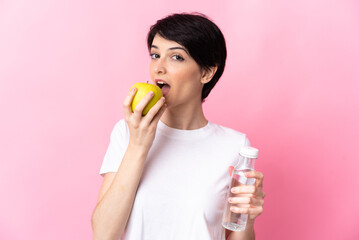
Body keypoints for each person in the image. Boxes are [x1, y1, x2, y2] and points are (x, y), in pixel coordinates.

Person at [92, 13, 265, 240]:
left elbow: (235, 232)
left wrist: (247, 218)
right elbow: (104, 234)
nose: (158, 68)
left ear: (206, 72)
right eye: (155, 55)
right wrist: (138, 145)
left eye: (176, 57)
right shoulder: (127, 132)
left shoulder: (234, 146)